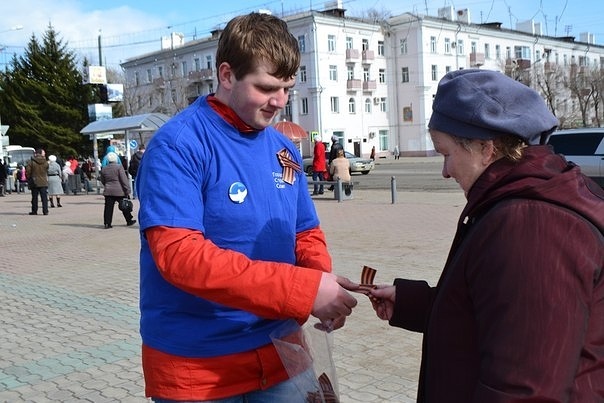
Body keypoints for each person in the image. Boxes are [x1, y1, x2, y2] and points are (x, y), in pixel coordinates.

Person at [136, 12, 358, 402]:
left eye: (288, 88)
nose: (281, 102)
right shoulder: (179, 145)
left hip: (281, 355)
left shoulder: (284, 150)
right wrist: (303, 290)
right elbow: (179, 256)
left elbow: (304, 230)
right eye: (267, 87)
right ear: (226, 75)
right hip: (198, 369)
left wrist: (320, 281)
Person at [368, 69, 604, 402]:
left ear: (486, 148)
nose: (445, 171)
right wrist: (413, 303)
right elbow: (503, 313)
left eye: (446, 154)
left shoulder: (533, 224)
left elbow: (525, 390)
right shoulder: (524, 199)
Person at [99, 152, 136, 228]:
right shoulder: (119, 167)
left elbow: (102, 180)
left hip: (108, 191)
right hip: (120, 191)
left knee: (108, 208)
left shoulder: (104, 169)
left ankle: (107, 223)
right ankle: (129, 220)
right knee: (124, 205)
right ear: (116, 159)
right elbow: (123, 179)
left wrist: (107, 185)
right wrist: (127, 190)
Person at [26, 148, 49, 215]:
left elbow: (28, 171)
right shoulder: (45, 161)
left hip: (34, 181)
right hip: (43, 181)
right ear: (41, 153)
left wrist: (29, 177)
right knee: (44, 197)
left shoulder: (31, 162)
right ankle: (45, 211)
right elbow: (47, 169)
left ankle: (34, 210)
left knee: (34, 197)